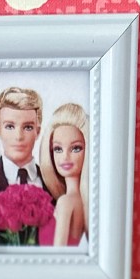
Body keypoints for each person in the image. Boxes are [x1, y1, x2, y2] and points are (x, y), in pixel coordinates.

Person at [39, 102, 88, 247]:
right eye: (58, 149)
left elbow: (58, 252)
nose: (65, 157)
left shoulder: (65, 202)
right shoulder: (82, 202)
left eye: (76, 148)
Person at [0, 86, 51, 197]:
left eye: (27, 127)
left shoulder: (53, 181)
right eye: (10, 126)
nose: (18, 137)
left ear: (37, 131)